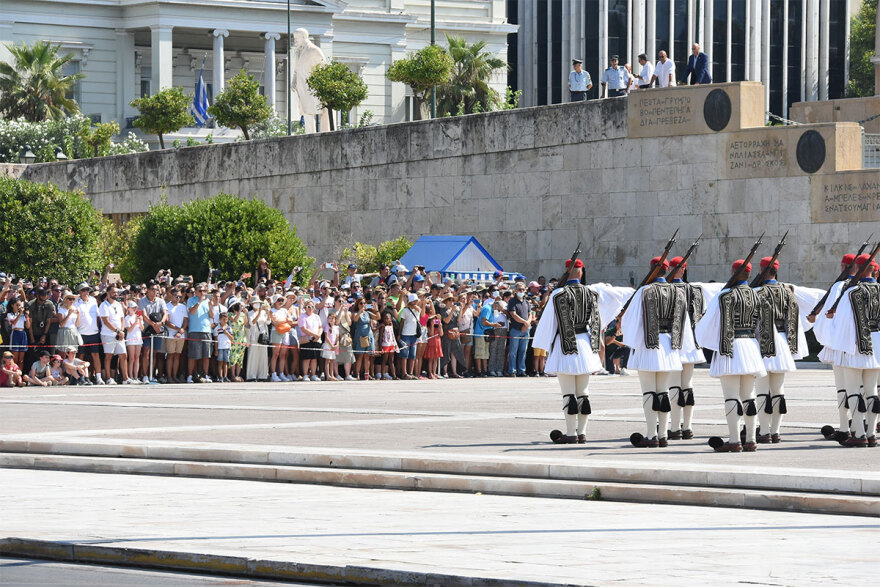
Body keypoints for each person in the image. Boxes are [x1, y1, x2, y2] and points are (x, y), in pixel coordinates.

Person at [532, 258, 632, 444]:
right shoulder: (592, 293)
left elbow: (548, 324)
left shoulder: (558, 294)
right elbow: (616, 297)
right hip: (585, 345)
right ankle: (582, 432)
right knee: (583, 393)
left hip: (565, 346)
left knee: (569, 394)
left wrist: (543, 344)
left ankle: (571, 434)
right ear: (580, 272)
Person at [695, 260, 767, 453]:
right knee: (749, 396)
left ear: (733, 272)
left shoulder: (725, 296)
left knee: (731, 396)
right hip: (751, 346)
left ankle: (735, 440)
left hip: (731, 347)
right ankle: (751, 440)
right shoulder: (757, 294)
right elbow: (762, 327)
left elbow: (710, 325)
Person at [621, 257, 688, 448]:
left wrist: (632, 344)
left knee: (649, 391)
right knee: (663, 392)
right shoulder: (678, 292)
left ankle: (652, 435)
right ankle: (664, 434)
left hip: (649, 345)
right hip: (669, 346)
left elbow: (632, 321)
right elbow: (682, 323)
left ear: (651, 269)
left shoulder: (645, 291)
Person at [820, 254, 880, 447]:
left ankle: (859, 435)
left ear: (858, 268)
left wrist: (832, 319)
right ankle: (872, 434)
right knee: (871, 392)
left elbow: (844, 324)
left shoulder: (851, 292)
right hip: (877, 346)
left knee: (853, 391)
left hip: (855, 346)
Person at [753, 257, 815, 444]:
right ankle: (776, 431)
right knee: (778, 390)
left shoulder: (756, 292)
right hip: (781, 342)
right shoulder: (788, 293)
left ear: (762, 270)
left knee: (762, 390)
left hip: (762, 343)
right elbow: (793, 321)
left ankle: (764, 431)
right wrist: (791, 346)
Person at [666, 257, 715, 440]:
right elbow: (700, 316)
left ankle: (674, 427)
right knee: (687, 385)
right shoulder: (695, 290)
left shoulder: (666, 290)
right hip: (691, 343)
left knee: (673, 385)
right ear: (684, 270)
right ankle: (687, 427)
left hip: (672, 343)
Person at [811, 254, 858, 442]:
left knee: (843, 388)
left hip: (841, 345)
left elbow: (828, 319)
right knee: (863, 388)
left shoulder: (841, 287)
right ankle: (861, 427)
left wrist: (826, 341)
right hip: (864, 345)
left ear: (843, 266)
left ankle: (845, 427)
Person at [74, 282, 104, 385]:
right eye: (83, 290)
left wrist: (99, 329)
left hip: (94, 333)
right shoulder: (76, 302)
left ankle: (99, 377)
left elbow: (98, 317)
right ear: (79, 292)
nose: (86, 292)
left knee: (95, 355)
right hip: (81, 332)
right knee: (80, 356)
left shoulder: (93, 301)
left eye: (87, 290)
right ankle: (81, 377)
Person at [98, 286, 128, 384]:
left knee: (123, 355)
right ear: (108, 293)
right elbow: (106, 321)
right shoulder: (103, 305)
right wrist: (117, 331)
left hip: (119, 334)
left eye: (116, 292)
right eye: (114, 292)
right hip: (108, 334)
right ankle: (109, 378)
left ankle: (125, 379)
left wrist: (122, 331)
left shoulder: (119, 305)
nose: (116, 294)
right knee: (108, 356)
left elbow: (122, 319)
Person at [186, 283, 213, 383]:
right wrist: (199, 301)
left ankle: (206, 375)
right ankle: (189, 376)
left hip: (206, 330)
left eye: (204, 291)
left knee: (206, 355)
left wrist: (210, 306)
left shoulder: (208, 301)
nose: (203, 293)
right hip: (194, 330)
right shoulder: (191, 300)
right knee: (193, 355)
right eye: (200, 291)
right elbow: (192, 312)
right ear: (196, 291)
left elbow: (212, 315)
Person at [507, 283, 531, 377]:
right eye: (519, 289)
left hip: (525, 330)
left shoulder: (526, 302)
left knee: (523, 351)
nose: (521, 291)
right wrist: (525, 323)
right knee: (513, 352)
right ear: (516, 290)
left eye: (523, 289)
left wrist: (527, 324)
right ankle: (512, 370)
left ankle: (521, 370)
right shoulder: (512, 301)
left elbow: (530, 314)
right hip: (515, 330)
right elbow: (513, 315)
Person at [165, 289, 188, 383]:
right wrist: (178, 329)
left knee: (177, 356)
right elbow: (167, 321)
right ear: (171, 296)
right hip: (170, 334)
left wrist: (181, 331)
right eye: (176, 296)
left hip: (181, 335)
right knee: (170, 356)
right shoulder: (167, 306)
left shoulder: (183, 306)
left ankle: (175, 376)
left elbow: (186, 320)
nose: (178, 298)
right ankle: (169, 376)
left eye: (179, 296)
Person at [298, 300, 323, 381]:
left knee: (314, 358)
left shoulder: (316, 316)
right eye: (309, 306)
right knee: (306, 358)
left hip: (316, 340)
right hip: (307, 339)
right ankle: (305, 374)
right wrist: (314, 335)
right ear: (305, 308)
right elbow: (303, 328)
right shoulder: (302, 316)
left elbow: (320, 327)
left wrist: (318, 335)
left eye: (312, 306)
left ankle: (313, 374)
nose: (311, 308)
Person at [246, 298, 270, 381]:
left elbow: (268, 322)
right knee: (253, 355)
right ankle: (251, 375)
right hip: (254, 334)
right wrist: (259, 313)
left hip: (262, 334)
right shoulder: (250, 313)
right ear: (252, 304)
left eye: (259, 303)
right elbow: (252, 323)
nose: (257, 304)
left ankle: (262, 375)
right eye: (255, 303)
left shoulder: (263, 312)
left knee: (263, 355)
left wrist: (268, 313)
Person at [228, 301, 248, 382]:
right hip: (234, 338)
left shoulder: (242, 315)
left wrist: (245, 314)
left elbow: (245, 323)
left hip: (242, 339)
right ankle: (233, 375)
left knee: (240, 358)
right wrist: (239, 312)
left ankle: (238, 375)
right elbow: (235, 320)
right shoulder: (230, 314)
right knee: (233, 357)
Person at [124, 301, 143, 384]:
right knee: (131, 358)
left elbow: (142, 329)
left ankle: (136, 376)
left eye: (135, 308)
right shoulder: (126, 318)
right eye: (133, 307)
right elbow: (129, 329)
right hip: (131, 339)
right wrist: (136, 321)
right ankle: (130, 377)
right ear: (128, 308)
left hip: (138, 339)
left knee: (137, 358)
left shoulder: (138, 317)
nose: (134, 309)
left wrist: (140, 321)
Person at [6, 298, 29, 369]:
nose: (19, 307)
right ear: (12, 305)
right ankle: (14, 376)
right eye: (17, 305)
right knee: (15, 359)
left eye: (20, 305)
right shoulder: (10, 314)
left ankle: (20, 376)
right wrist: (20, 314)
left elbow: (27, 326)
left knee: (21, 360)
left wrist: (27, 316)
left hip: (22, 334)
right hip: (15, 334)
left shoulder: (22, 315)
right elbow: (14, 322)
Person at [424, 302, 443, 379]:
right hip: (431, 341)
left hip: (438, 341)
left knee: (436, 358)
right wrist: (432, 325)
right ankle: (430, 373)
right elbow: (431, 334)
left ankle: (434, 372)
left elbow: (441, 334)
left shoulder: (436, 320)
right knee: (431, 358)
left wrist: (440, 326)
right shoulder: (428, 321)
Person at [214, 312, 233, 383]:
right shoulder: (217, 328)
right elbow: (216, 340)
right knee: (220, 362)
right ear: (220, 319)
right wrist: (216, 350)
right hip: (220, 347)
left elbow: (232, 338)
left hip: (227, 347)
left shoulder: (229, 328)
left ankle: (225, 376)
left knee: (226, 362)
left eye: (226, 319)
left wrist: (227, 333)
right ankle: (220, 376)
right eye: (223, 319)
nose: (225, 321)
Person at [322, 311, 341, 381]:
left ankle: (332, 375)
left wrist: (337, 344)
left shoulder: (336, 327)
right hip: (328, 345)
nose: (330, 320)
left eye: (332, 318)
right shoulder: (327, 326)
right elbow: (326, 337)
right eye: (329, 318)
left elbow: (337, 338)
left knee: (332, 360)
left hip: (334, 346)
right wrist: (331, 345)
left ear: (335, 319)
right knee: (327, 360)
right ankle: (328, 375)